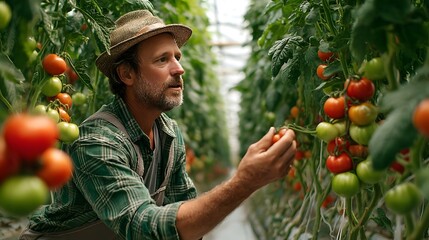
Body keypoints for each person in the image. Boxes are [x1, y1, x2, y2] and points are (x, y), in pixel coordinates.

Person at [20, 9, 296, 240]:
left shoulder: (169, 134)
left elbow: (184, 210)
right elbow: (141, 226)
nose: (179, 68)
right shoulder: (97, 141)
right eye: (162, 59)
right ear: (127, 74)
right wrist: (244, 182)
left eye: (177, 57)